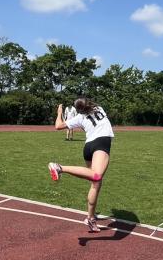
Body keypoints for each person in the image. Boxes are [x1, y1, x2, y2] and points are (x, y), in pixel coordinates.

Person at [48, 97, 114, 232]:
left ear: (78, 109)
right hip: (101, 144)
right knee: (96, 176)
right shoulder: (99, 108)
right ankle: (60, 167)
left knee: (95, 182)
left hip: (88, 147)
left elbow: (58, 126)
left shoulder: (79, 117)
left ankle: (91, 218)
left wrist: (59, 113)